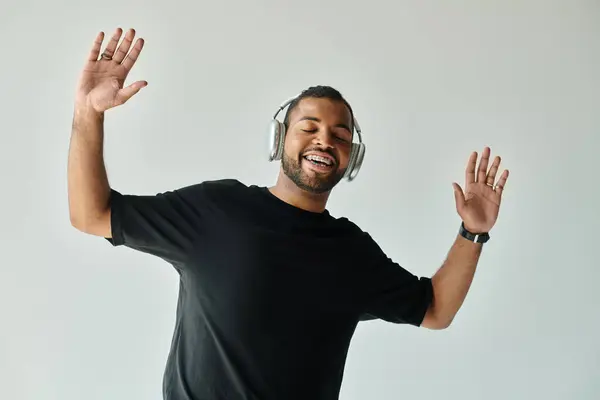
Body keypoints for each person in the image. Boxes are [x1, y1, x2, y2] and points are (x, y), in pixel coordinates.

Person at [68, 28, 510, 400]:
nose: (325, 141)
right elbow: (91, 214)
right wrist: (89, 112)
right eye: (309, 128)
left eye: (340, 135)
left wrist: (472, 231)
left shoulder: (351, 252)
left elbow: (434, 309)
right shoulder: (218, 209)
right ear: (281, 139)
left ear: (350, 158)